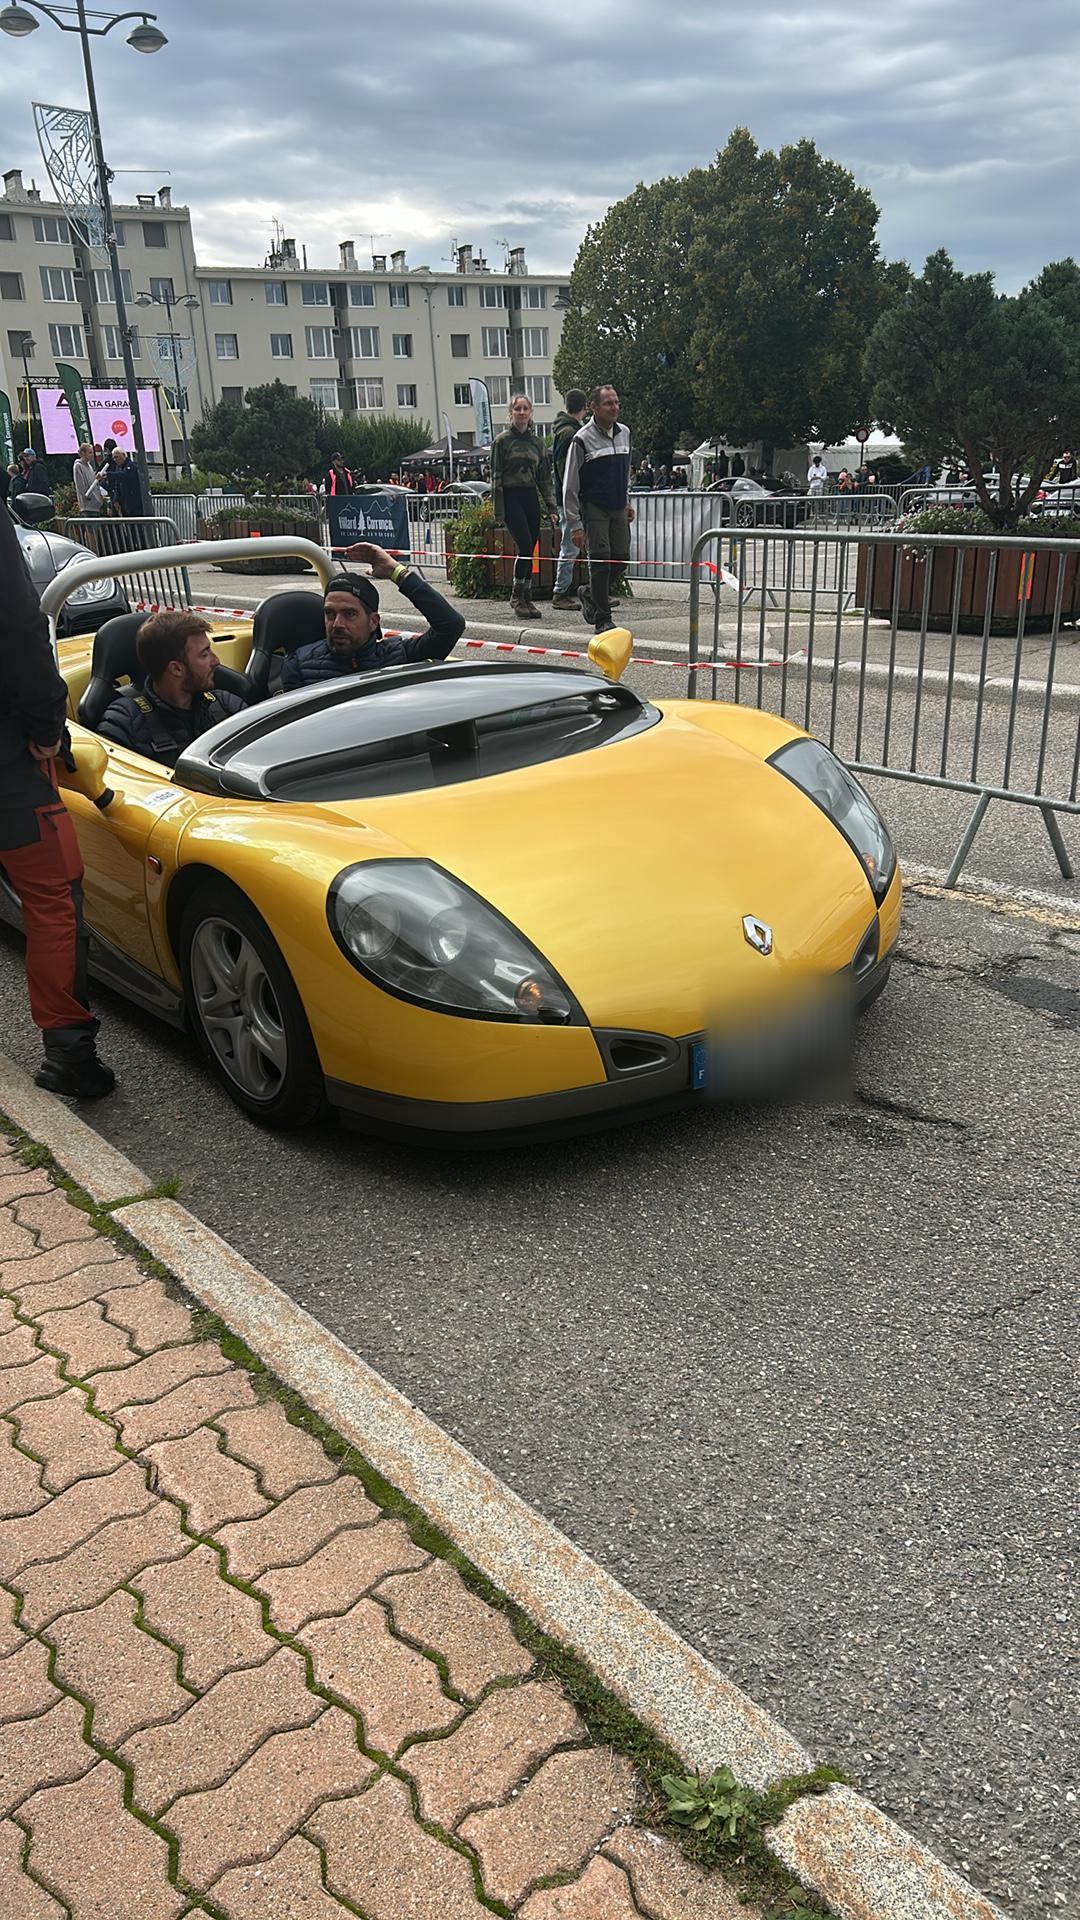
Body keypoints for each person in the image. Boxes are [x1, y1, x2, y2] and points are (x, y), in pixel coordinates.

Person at [0, 494, 115, 1097]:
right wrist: (48, 727)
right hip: (8, 763)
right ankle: (70, 1057)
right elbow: (20, 626)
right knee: (54, 904)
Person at [279, 542, 465, 688]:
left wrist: (396, 572)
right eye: (330, 613)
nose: (337, 624)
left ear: (373, 622)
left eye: (349, 614)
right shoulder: (299, 666)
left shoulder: (399, 656)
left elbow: (451, 626)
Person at [97, 612, 248, 767]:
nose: (216, 661)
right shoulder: (124, 722)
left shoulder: (226, 704)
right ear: (176, 669)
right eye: (204, 655)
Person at [562, 383, 634, 636]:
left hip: (617, 506)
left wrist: (626, 501)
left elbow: (625, 472)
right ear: (594, 407)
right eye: (608, 403)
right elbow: (570, 484)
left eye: (616, 402)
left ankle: (590, 592)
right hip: (593, 506)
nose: (615, 407)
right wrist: (575, 524)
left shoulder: (625, 432)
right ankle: (603, 619)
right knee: (600, 560)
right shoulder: (581, 439)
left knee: (621, 558)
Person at [490, 393, 557, 621]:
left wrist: (552, 508)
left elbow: (544, 479)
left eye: (525, 408)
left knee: (532, 547)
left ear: (530, 413)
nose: (521, 412)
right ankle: (517, 595)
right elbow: (495, 477)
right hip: (510, 495)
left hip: (530, 495)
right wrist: (498, 510)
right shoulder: (501, 441)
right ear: (511, 413)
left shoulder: (537, 443)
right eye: (517, 409)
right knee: (525, 546)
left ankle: (527, 596)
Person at [550, 387, 588, 610]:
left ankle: (574, 590)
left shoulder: (564, 431)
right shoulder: (570, 434)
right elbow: (568, 471)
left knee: (575, 544)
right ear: (584, 408)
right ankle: (560, 591)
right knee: (571, 545)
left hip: (567, 496)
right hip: (571, 497)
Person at [73, 443, 106, 516]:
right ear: (83, 453)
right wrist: (87, 496)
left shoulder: (89, 466)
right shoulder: (78, 466)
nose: (92, 455)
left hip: (95, 504)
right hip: (87, 506)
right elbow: (80, 485)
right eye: (90, 452)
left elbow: (93, 481)